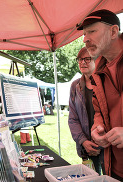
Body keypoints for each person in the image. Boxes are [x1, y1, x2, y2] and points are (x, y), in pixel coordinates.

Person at [77, 9, 123, 180]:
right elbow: (99, 111)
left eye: (92, 31)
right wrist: (97, 128)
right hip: (114, 169)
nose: (85, 39)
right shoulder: (99, 74)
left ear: (113, 31)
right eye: (84, 33)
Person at [68, 47, 104, 175]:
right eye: (80, 59)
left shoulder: (105, 82)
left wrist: (101, 142)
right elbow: (72, 118)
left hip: (107, 147)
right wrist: (83, 141)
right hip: (86, 147)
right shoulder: (75, 86)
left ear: (97, 60)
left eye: (87, 59)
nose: (82, 62)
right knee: (91, 179)